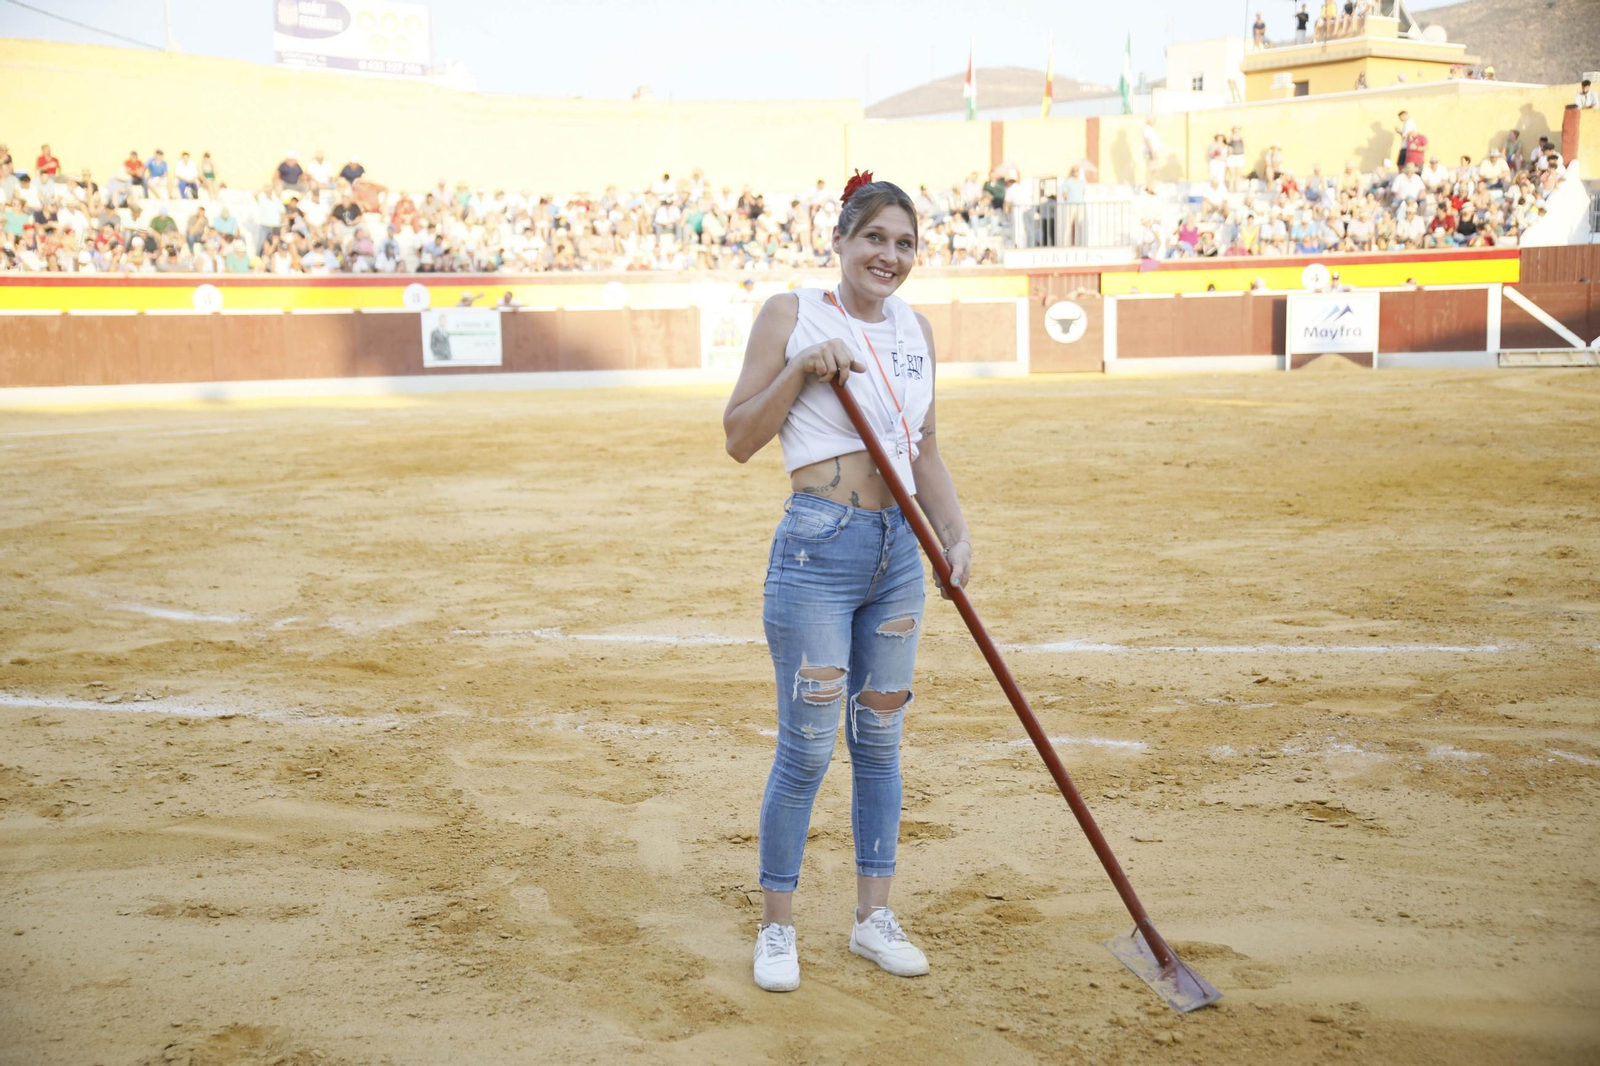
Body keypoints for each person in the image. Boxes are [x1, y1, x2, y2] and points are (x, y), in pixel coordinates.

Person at [721, 172, 969, 994]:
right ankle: (778, 927)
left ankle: (873, 919)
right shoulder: (791, 314)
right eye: (875, 238)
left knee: (880, 742)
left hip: (898, 554)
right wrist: (800, 369)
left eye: (905, 244)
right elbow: (738, 438)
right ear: (841, 240)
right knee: (806, 746)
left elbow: (924, 452)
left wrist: (954, 535)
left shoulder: (916, 330)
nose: (889, 256)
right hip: (817, 551)